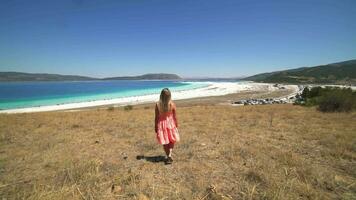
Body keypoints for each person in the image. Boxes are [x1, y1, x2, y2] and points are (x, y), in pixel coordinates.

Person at [155, 88, 180, 164]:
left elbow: (156, 117)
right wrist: (176, 124)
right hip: (170, 124)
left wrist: (155, 126)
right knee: (172, 140)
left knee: (165, 141)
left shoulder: (158, 104)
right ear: (169, 96)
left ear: (161, 95)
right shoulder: (172, 104)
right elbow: (175, 116)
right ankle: (170, 154)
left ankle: (168, 155)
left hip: (162, 125)